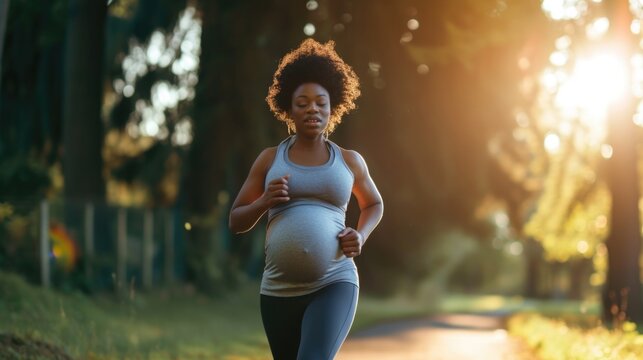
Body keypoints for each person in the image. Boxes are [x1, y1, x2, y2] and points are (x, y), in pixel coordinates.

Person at [228, 38, 384, 360]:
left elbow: (374, 204)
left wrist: (360, 234)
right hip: (277, 290)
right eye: (302, 102)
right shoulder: (269, 159)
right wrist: (265, 202)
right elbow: (236, 221)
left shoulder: (350, 160)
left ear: (332, 107)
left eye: (320, 102)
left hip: (334, 281)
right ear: (288, 108)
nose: (312, 108)